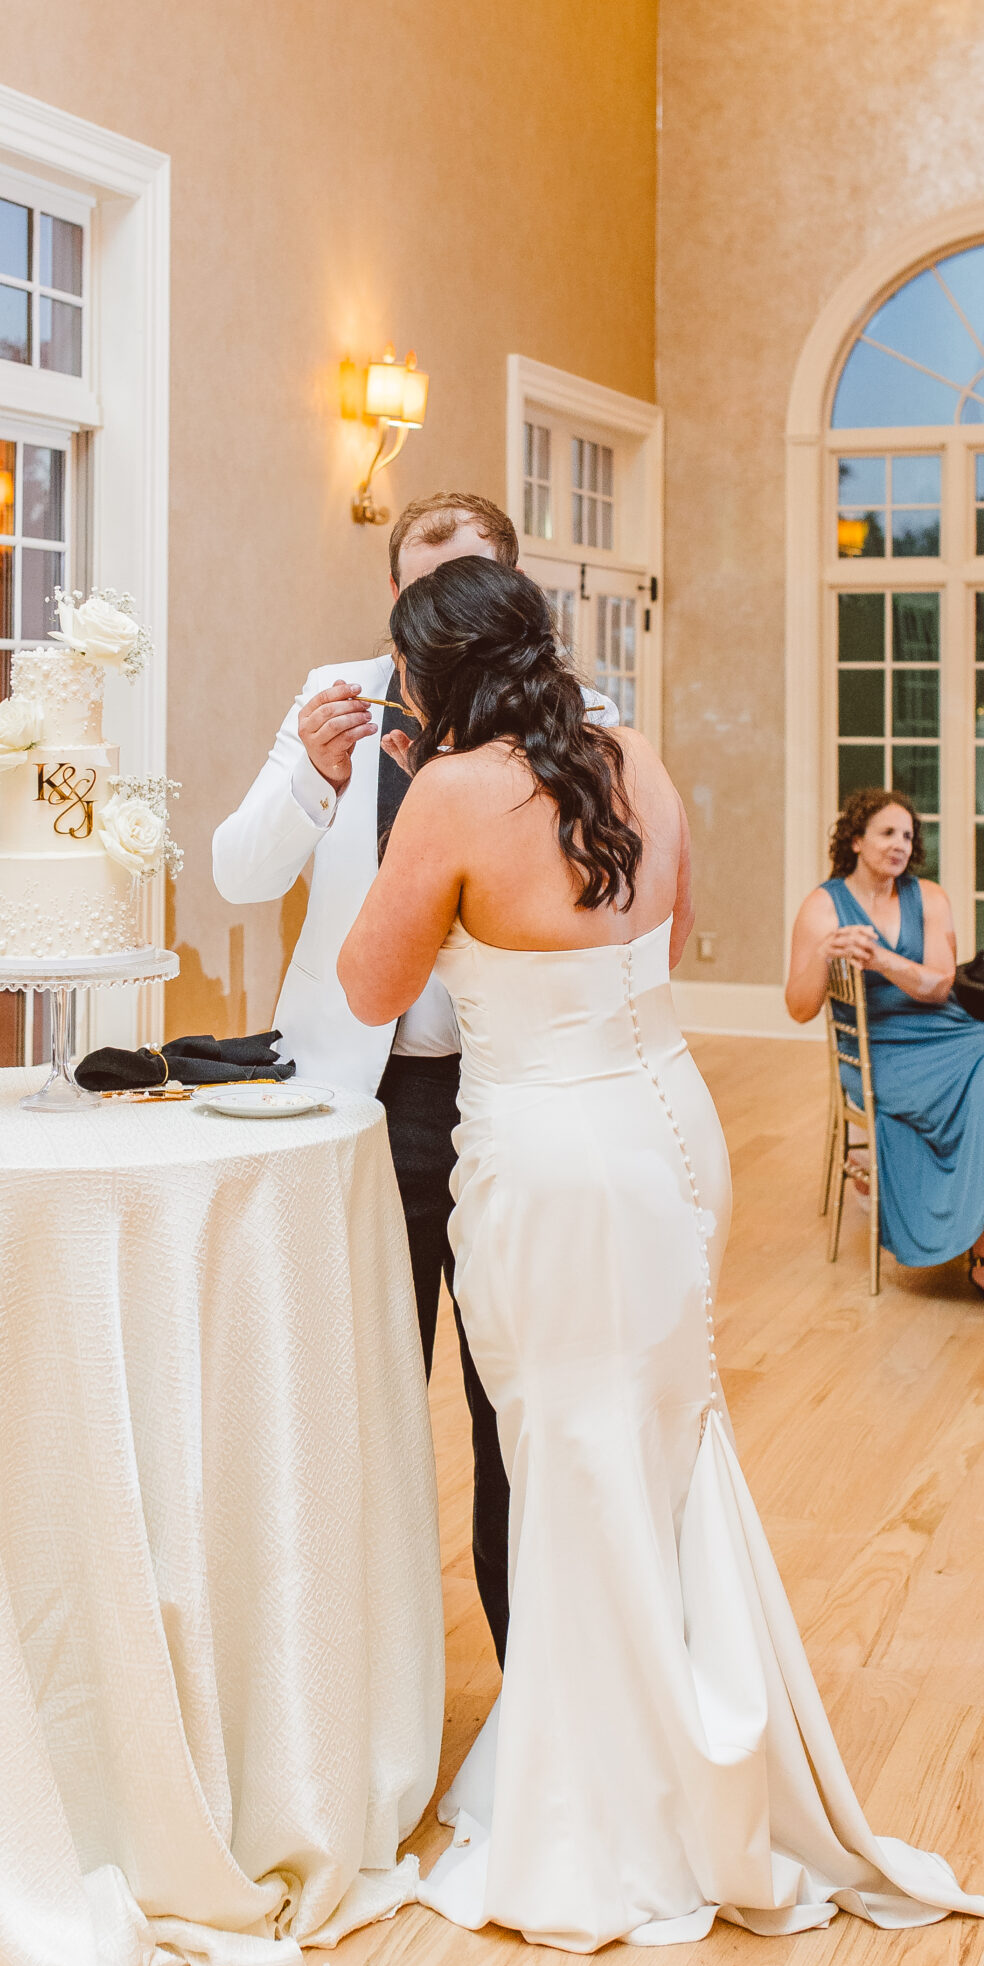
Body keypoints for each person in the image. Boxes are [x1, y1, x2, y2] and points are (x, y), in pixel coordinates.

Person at [336, 558, 984, 1950]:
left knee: (566, 1448)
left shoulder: (448, 794)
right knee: (655, 1439)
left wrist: (412, 798)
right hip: (669, 1132)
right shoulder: (635, 757)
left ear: (435, 676)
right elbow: (672, 931)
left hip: (552, 1159)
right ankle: (683, 1739)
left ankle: (600, 1790)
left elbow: (365, 987)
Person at [212, 491, 615, 1669]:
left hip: (507, 1101)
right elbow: (241, 873)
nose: (428, 607)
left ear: (511, 591)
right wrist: (315, 784)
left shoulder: (571, 721)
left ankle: (531, 1689)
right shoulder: (332, 698)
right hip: (358, 1104)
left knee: (511, 1406)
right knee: (363, 1400)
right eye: (413, 581)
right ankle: (362, 1692)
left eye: (464, 575)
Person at [785, 789, 984, 1315]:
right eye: (886, 833)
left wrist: (880, 958)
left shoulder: (927, 896)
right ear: (856, 840)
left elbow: (938, 986)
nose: (900, 844)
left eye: (907, 835)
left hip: (946, 1032)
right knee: (980, 1086)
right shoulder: (822, 905)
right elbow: (799, 1007)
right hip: (879, 1052)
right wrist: (822, 953)